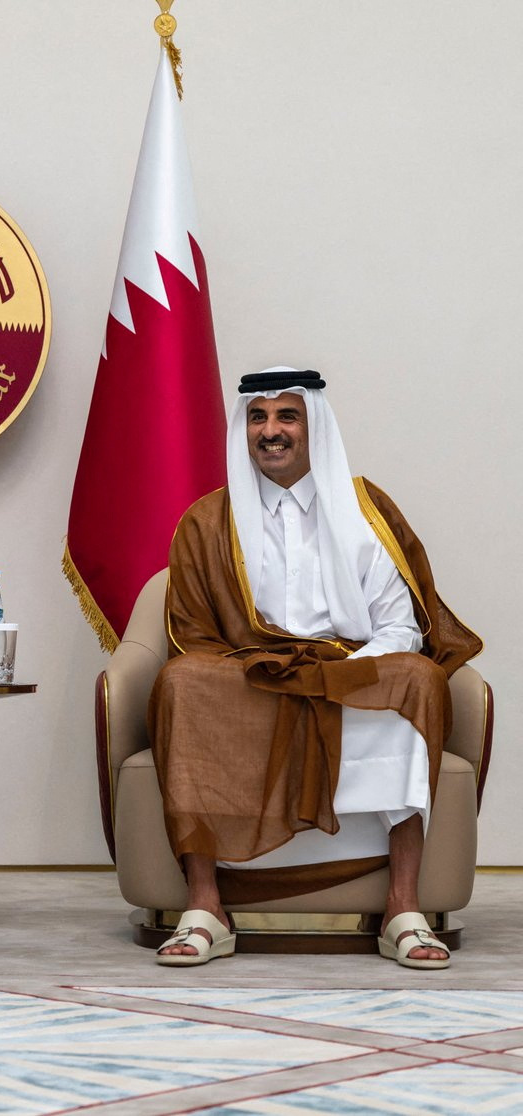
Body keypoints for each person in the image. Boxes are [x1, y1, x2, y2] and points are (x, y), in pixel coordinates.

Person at [149, 367, 481, 969]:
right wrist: (281, 672)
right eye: (258, 417)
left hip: (348, 670)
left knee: (418, 678)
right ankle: (206, 907)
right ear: (243, 428)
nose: (271, 431)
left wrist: (339, 672)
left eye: (287, 416)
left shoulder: (365, 510)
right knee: (183, 681)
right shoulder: (206, 522)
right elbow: (195, 637)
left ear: (313, 427)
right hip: (253, 675)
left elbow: (401, 628)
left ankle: (401, 908)